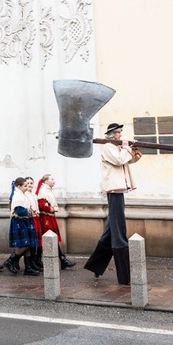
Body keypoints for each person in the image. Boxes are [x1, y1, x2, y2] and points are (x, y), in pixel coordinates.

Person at [84, 122, 142, 285]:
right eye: (118, 133)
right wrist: (126, 148)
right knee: (118, 230)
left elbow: (126, 161)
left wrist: (134, 154)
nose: (120, 135)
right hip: (114, 189)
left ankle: (95, 266)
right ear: (111, 134)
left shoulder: (116, 148)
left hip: (119, 189)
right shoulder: (108, 147)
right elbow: (118, 161)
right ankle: (124, 276)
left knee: (111, 229)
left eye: (120, 132)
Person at [35, 174, 76, 269]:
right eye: (52, 179)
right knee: (50, 238)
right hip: (46, 218)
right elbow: (42, 205)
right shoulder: (43, 191)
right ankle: (62, 259)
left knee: (48, 238)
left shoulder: (48, 190)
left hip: (49, 217)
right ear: (46, 181)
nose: (54, 181)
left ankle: (38, 259)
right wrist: (52, 209)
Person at [5, 177, 42, 276]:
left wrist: (30, 210)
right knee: (24, 244)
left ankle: (28, 268)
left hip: (26, 220)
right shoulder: (17, 196)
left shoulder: (23, 194)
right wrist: (29, 212)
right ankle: (10, 261)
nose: (27, 187)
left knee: (28, 244)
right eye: (25, 186)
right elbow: (19, 211)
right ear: (18, 186)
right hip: (19, 221)